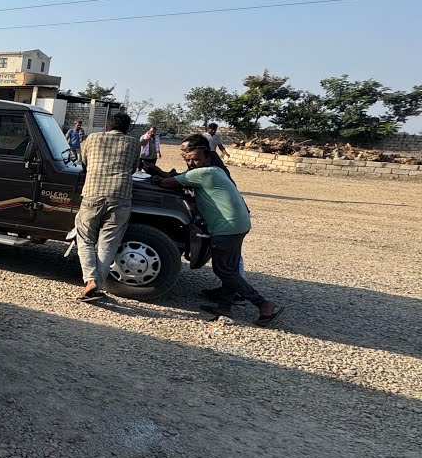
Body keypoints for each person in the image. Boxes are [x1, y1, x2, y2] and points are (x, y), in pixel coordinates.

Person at [156, 147, 283, 326]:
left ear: (207, 160)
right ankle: (224, 308)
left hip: (226, 228)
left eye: (196, 159)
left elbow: (167, 183)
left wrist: (156, 175)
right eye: (188, 159)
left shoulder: (202, 173)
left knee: (223, 270)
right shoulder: (216, 170)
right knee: (230, 269)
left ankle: (263, 305)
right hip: (239, 225)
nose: (191, 163)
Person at [74, 112, 140, 302]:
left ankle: (90, 280)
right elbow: (133, 168)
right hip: (121, 196)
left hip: (93, 193)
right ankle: (96, 286)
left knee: (85, 238)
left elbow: (83, 162)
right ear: (127, 129)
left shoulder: (92, 138)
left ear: (107, 126)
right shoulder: (134, 143)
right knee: (108, 244)